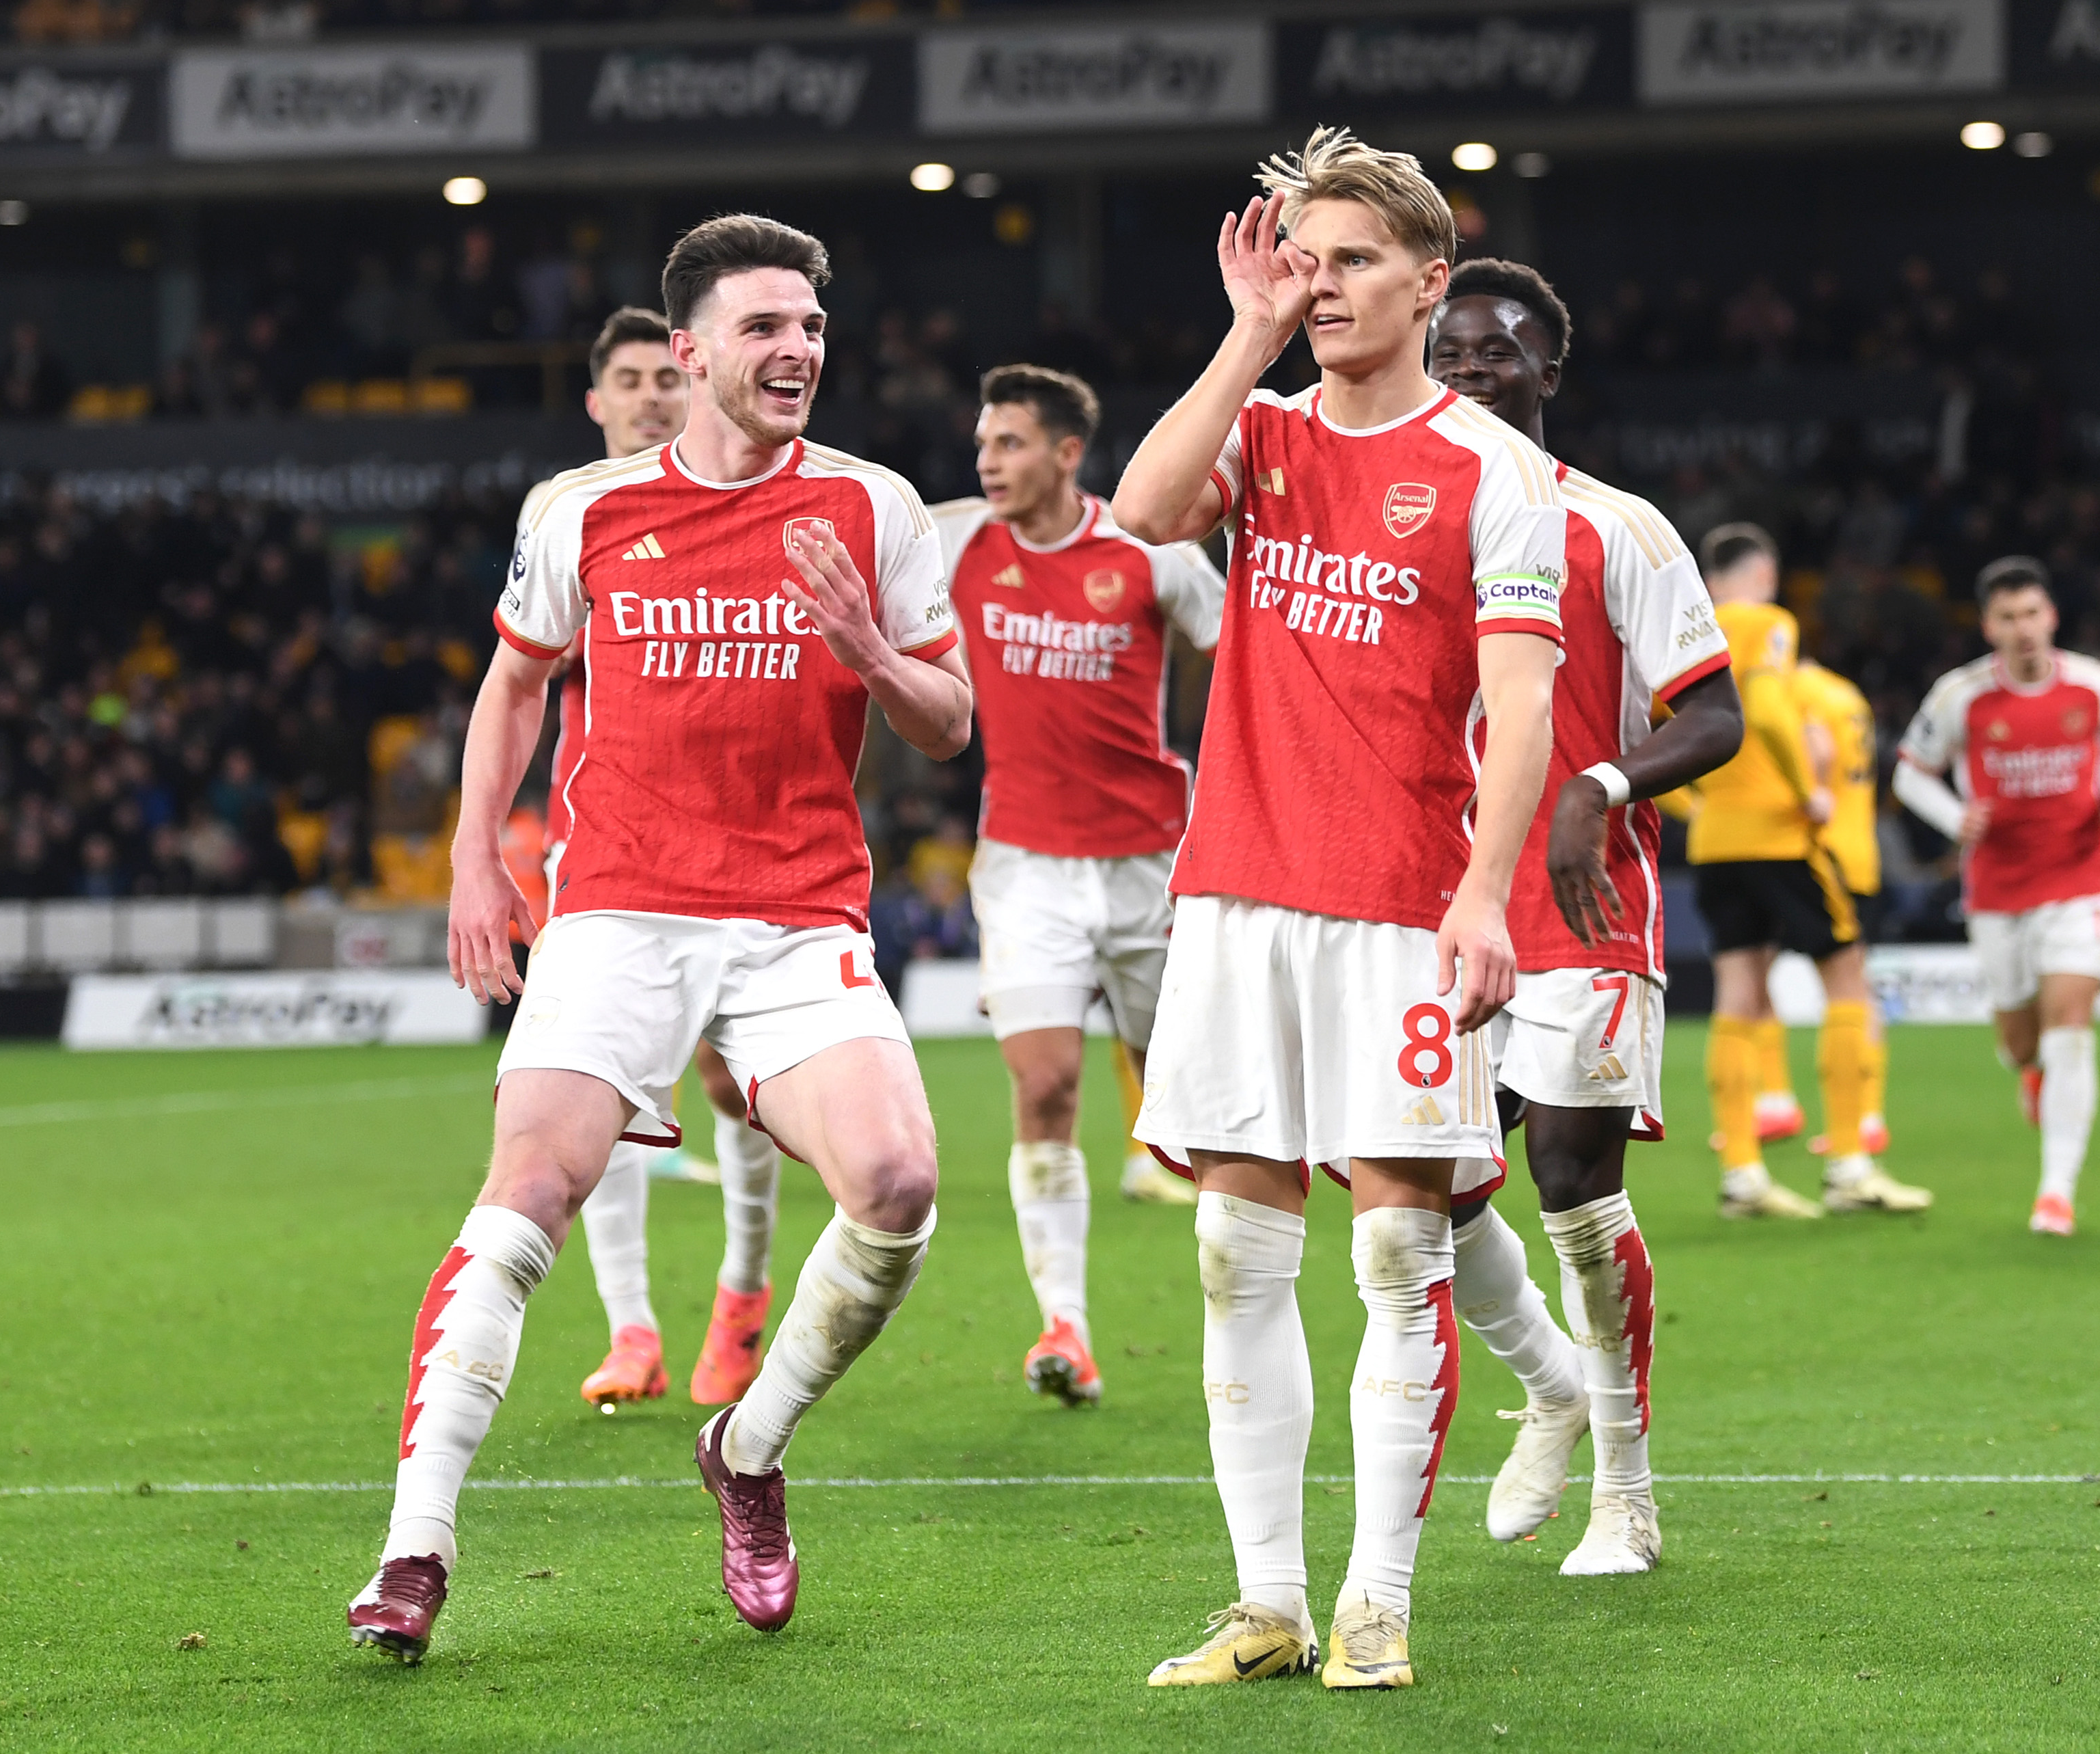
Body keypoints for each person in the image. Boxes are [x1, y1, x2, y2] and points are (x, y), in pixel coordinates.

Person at [348, 214, 972, 1662]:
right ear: (685, 354)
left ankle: (745, 1448)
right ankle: (414, 1545)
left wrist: (872, 652)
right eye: (763, 329)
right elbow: (513, 686)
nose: (797, 351)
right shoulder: (581, 509)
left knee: (897, 1184)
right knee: (521, 1201)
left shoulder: (877, 508)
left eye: (811, 328)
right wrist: (471, 860)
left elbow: (950, 723)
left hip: (797, 915)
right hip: (618, 909)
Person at [1112, 128, 1564, 1690]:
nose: (1322, 286)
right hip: (1237, 893)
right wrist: (1245, 331)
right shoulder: (1264, 434)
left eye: (1352, 258)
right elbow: (1145, 512)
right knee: (1238, 1253)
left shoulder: (1493, 476)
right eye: (1301, 258)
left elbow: (1522, 715)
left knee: (1394, 1259)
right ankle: (1267, 1602)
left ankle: (1377, 1601)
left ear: (1432, 281)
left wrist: (1486, 895)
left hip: (1394, 908)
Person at [1426, 259, 1743, 1576]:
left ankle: (1628, 1487)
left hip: (1580, 899)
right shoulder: (1390, 516)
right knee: (1426, 1186)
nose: (1468, 372)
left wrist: (1601, 785)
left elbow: (1714, 715)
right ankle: (1552, 1383)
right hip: (1432, 903)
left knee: (1566, 1178)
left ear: (1550, 372)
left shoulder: (1617, 527)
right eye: (1449, 352)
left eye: (1496, 352)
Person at [932, 363, 1225, 1409]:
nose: (987, 461)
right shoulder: (958, 541)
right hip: (1025, 866)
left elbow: (1244, 655)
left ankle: (1241, 1311)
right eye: (981, 444)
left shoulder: (1149, 551)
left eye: (1008, 443)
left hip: (1155, 861)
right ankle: (1066, 1325)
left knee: (1194, 1105)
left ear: (1065, 452)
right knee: (1045, 1084)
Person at [548, 306, 791, 1416]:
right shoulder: (565, 511)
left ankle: (741, 1293)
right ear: (597, 401)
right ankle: (630, 1327)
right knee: (596, 1096)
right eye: (627, 381)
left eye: (663, 375)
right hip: (600, 843)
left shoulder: (742, 504)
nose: (648, 396)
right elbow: (524, 674)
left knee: (728, 1086)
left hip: (734, 842)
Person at [1677, 525, 1928, 1219]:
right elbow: (1764, 709)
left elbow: (1648, 736)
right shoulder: (1766, 622)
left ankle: (1742, 1176)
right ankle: (1850, 1165)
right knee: (1845, 978)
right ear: (1763, 572)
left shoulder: (1677, 626)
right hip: (1781, 837)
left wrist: (1700, 802)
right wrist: (1803, 791)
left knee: (1736, 994)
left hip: (1716, 842)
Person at [1894, 556, 2100, 1237]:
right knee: (2019, 1040)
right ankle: (2029, 1073)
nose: (2022, 628)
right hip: (1999, 887)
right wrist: (1953, 818)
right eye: (2007, 618)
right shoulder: (1960, 695)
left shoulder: (2098, 684)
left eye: (2032, 613)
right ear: (1988, 626)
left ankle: (2055, 1190)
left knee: (2071, 1023)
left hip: (2079, 873)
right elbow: (1911, 773)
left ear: (2051, 616)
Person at [1785, 655, 1892, 1157]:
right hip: (1861, 849)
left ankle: (1855, 1114)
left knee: (1842, 986)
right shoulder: (1846, 692)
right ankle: (1868, 1114)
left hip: (1819, 848)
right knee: (1857, 981)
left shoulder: (1795, 689)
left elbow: (1817, 755)